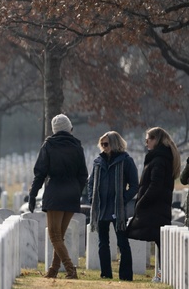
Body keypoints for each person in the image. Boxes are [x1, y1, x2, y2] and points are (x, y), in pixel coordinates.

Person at [27, 114, 88, 279]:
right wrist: (76, 190)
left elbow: (40, 173)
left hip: (55, 192)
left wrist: (32, 195)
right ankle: (53, 270)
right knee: (59, 236)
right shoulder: (77, 146)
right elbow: (83, 175)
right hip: (72, 195)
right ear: (69, 129)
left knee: (54, 235)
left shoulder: (49, 145)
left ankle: (70, 269)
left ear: (54, 130)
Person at [126, 127, 181, 281]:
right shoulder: (162, 158)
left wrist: (141, 203)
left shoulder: (158, 160)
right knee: (160, 243)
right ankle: (161, 274)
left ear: (156, 140)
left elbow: (155, 186)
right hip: (158, 208)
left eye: (148, 139)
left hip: (152, 208)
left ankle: (160, 274)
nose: (146, 143)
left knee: (128, 233)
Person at [87, 131, 139, 279]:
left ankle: (126, 275)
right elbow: (91, 183)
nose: (103, 147)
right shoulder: (98, 161)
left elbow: (135, 185)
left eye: (106, 144)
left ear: (115, 144)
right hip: (102, 208)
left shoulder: (126, 161)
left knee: (122, 243)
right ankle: (106, 274)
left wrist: (123, 198)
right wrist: (92, 199)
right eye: (102, 144)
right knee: (103, 243)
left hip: (117, 208)